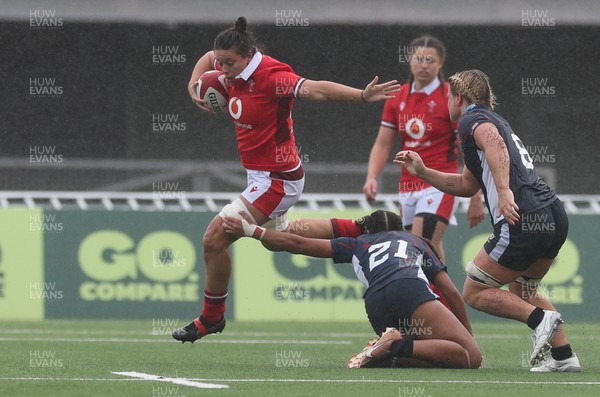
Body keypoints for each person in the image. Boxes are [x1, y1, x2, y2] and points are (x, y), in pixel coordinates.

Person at [172, 17, 400, 343]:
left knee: (214, 238)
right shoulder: (227, 63)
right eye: (221, 62)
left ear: (249, 55)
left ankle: (211, 318)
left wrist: (362, 96)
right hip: (262, 176)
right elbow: (209, 59)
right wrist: (193, 85)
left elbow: (317, 89)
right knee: (278, 236)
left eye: (230, 63)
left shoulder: (272, 77)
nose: (222, 69)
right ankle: (362, 228)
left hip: (276, 180)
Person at [394, 69, 581, 372]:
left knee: (474, 292)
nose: (446, 106)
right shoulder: (495, 120)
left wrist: (505, 192)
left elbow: (493, 143)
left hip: (523, 214)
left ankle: (540, 320)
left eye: (447, 98)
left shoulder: (472, 120)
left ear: (460, 97)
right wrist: (424, 172)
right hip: (551, 214)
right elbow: (467, 185)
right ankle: (563, 356)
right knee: (525, 293)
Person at [221, 210, 482, 369]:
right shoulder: (414, 240)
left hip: (376, 305)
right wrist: (469, 335)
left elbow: (297, 243)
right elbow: (451, 293)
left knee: (435, 352)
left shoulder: (357, 243)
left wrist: (251, 231)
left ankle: (387, 352)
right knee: (471, 357)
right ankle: (394, 347)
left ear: (368, 230)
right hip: (408, 288)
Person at [362, 35, 485, 264]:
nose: (424, 65)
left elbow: (467, 146)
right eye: (419, 59)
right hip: (407, 185)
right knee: (429, 249)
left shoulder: (451, 97)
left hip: (441, 184)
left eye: (430, 60)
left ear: (440, 64)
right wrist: (371, 177)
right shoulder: (397, 97)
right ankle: (444, 298)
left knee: (417, 245)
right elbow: (382, 144)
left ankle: (428, 299)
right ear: (410, 61)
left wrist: (475, 194)